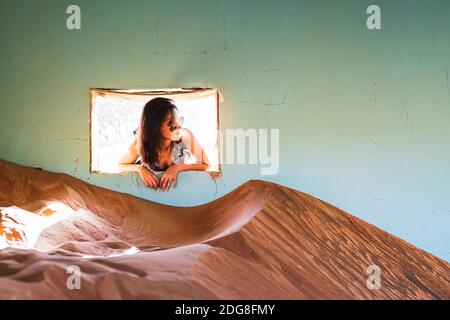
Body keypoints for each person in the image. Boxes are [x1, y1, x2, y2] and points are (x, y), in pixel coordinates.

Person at [118, 97, 209, 191]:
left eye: (178, 121)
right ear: (154, 127)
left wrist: (177, 167)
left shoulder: (184, 136)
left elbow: (206, 164)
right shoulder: (140, 142)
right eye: (172, 125)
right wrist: (140, 169)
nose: (178, 127)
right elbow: (121, 165)